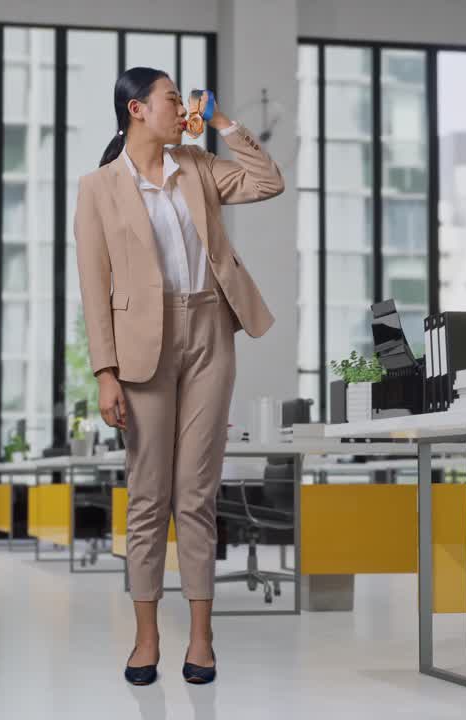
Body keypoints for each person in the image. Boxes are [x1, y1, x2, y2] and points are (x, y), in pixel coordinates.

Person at [73, 66, 284, 686]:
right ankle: (146, 638)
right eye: (171, 99)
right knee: (148, 496)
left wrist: (222, 123)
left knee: (196, 493)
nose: (180, 106)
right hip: (142, 344)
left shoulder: (196, 165)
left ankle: (201, 637)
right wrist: (105, 372)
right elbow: (94, 287)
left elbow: (268, 181)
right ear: (137, 110)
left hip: (210, 328)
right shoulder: (98, 187)